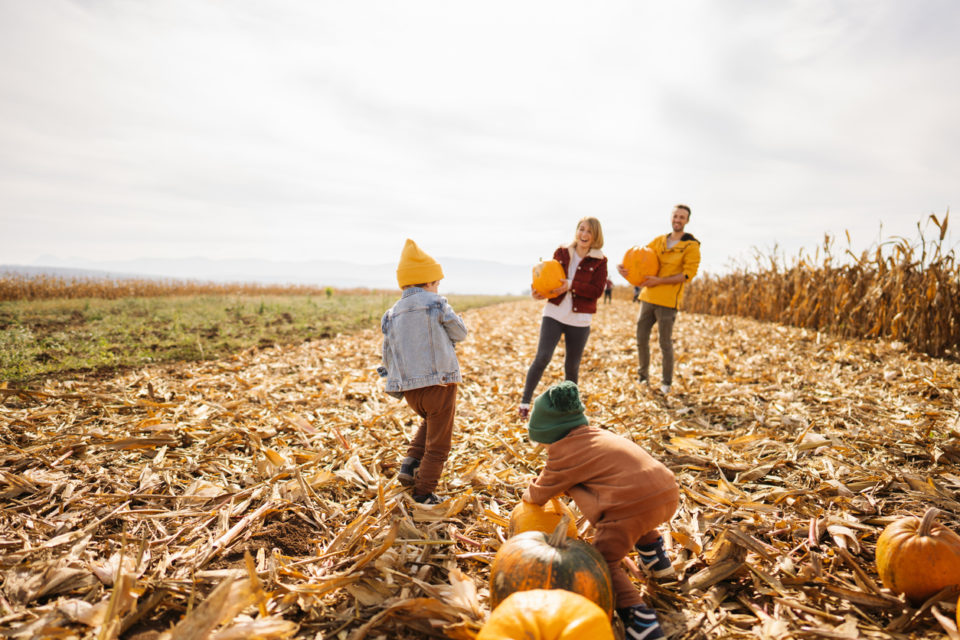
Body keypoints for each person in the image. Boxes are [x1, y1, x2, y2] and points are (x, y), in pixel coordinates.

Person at [521, 382, 678, 640]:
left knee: (603, 561)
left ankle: (641, 622)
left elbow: (539, 493)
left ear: (551, 434)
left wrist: (527, 494)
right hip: (666, 493)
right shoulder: (598, 436)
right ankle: (657, 561)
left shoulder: (563, 453)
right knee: (638, 517)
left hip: (629, 508)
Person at [381, 239, 468, 504]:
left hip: (409, 390)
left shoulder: (391, 313)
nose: (438, 287)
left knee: (430, 422)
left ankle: (409, 465)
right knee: (439, 445)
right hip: (440, 384)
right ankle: (424, 493)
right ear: (428, 282)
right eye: (437, 282)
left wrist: (389, 377)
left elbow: (388, 352)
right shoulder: (436, 303)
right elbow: (460, 333)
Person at [519, 217, 608, 419]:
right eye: (581, 229)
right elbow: (547, 276)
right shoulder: (561, 252)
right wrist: (539, 292)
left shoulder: (600, 260)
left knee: (572, 366)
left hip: (580, 319)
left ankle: (571, 411)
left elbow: (597, 291)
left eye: (589, 232)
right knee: (542, 357)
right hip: (554, 313)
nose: (584, 235)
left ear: (595, 236)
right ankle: (524, 402)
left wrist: (571, 285)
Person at [618, 204, 700, 395]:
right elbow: (641, 261)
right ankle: (643, 378)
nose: (678, 220)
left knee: (665, 343)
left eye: (682, 217)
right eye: (675, 216)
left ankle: (666, 383)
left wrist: (659, 281)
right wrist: (626, 273)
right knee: (641, 338)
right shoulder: (659, 241)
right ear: (671, 218)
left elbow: (687, 275)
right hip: (648, 297)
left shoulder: (691, 246)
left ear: (687, 221)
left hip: (668, 301)